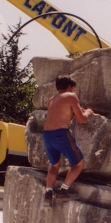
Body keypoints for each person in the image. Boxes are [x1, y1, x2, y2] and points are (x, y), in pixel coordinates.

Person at [43, 75, 93, 206]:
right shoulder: (71, 96)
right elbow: (81, 119)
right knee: (79, 164)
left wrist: (72, 113)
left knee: (55, 165)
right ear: (70, 86)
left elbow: (62, 116)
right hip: (60, 133)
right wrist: (88, 112)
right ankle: (63, 191)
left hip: (47, 134)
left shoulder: (51, 100)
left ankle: (48, 193)